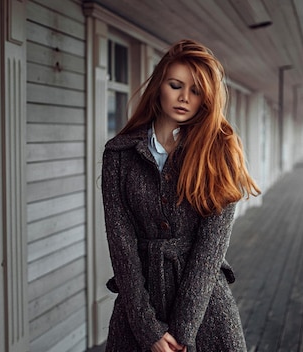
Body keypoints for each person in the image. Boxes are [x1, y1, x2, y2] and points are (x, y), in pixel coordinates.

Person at [101, 39, 260, 352]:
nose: (185, 98)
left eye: (196, 91)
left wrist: (183, 332)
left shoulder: (219, 153)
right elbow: (121, 246)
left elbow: (210, 249)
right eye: (176, 85)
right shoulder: (118, 155)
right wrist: (148, 329)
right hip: (138, 310)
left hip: (205, 311)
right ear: (160, 86)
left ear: (207, 99)